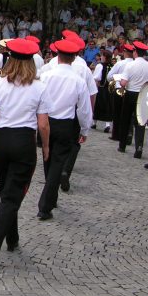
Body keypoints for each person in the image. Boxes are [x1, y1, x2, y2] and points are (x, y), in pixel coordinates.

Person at [0, 38, 50, 268]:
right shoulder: (39, 87)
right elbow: (43, 125)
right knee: (12, 195)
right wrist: (46, 147)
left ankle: (12, 238)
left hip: (1, 139)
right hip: (23, 141)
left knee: (7, 191)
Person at [37, 40, 92, 221]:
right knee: (57, 163)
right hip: (65, 124)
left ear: (57, 55)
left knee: (47, 159)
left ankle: (50, 197)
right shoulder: (78, 81)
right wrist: (84, 130)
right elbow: (84, 110)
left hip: (46, 121)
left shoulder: (46, 76)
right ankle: (46, 205)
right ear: (74, 58)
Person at [118, 41, 148, 158]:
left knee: (125, 120)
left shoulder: (130, 65)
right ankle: (139, 147)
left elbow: (123, 82)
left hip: (130, 93)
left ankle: (122, 145)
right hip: (143, 95)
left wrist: (120, 81)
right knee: (140, 121)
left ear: (135, 52)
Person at [106, 44, 134, 141]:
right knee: (129, 114)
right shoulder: (135, 64)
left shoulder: (120, 63)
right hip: (131, 90)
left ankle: (116, 135)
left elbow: (109, 77)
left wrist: (119, 77)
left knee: (117, 113)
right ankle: (128, 134)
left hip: (119, 89)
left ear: (125, 52)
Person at [91, 50, 113, 132]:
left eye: (102, 56)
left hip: (101, 87)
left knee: (98, 105)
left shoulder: (100, 65)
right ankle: (107, 124)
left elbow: (96, 77)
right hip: (110, 88)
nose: (101, 57)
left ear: (105, 57)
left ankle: (94, 123)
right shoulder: (112, 66)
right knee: (108, 105)